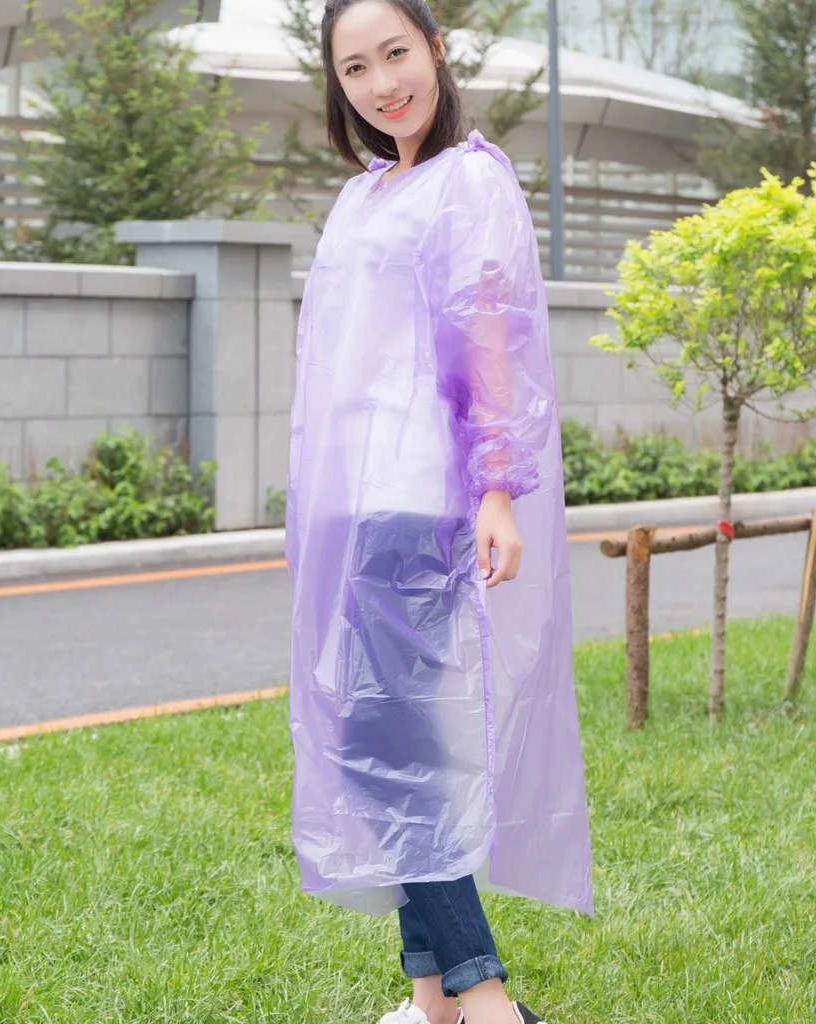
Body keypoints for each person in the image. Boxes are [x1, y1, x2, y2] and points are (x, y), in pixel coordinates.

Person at [284, 1, 594, 1022]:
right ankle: (433, 1003)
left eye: (396, 54)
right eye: (356, 68)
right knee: (379, 750)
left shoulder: (468, 179)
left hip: (417, 501)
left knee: (402, 763)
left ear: (436, 51)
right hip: (351, 506)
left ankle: (488, 1000)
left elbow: (488, 333)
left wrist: (495, 488)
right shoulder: (365, 193)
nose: (382, 84)